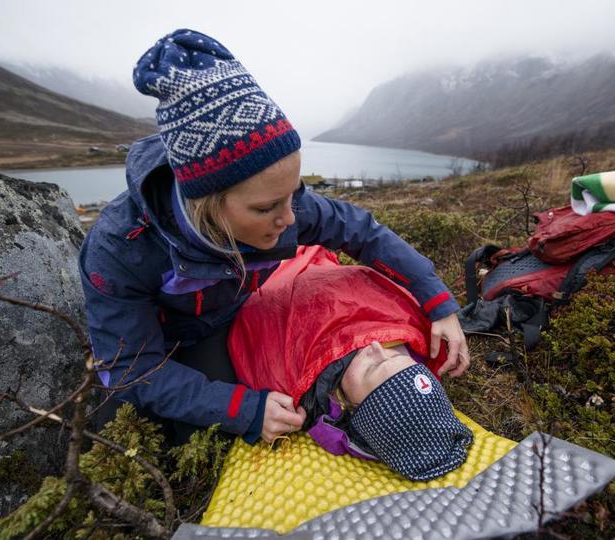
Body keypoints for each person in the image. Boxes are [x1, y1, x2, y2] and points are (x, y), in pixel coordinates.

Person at [79, 28, 469, 446]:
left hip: (234, 320)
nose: (289, 219)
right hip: (168, 343)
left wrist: (436, 300)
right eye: (266, 208)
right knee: (163, 434)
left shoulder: (285, 206)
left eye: (291, 195)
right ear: (205, 203)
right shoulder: (119, 249)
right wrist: (242, 410)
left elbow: (362, 232)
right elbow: (133, 370)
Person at [228, 245, 474, 481]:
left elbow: (254, 340)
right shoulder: (418, 334)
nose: (376, 348)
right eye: (396, 354)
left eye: (372, 368)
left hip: (257, 274)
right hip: (311, 260)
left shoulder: (290, 390)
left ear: (349, 406)